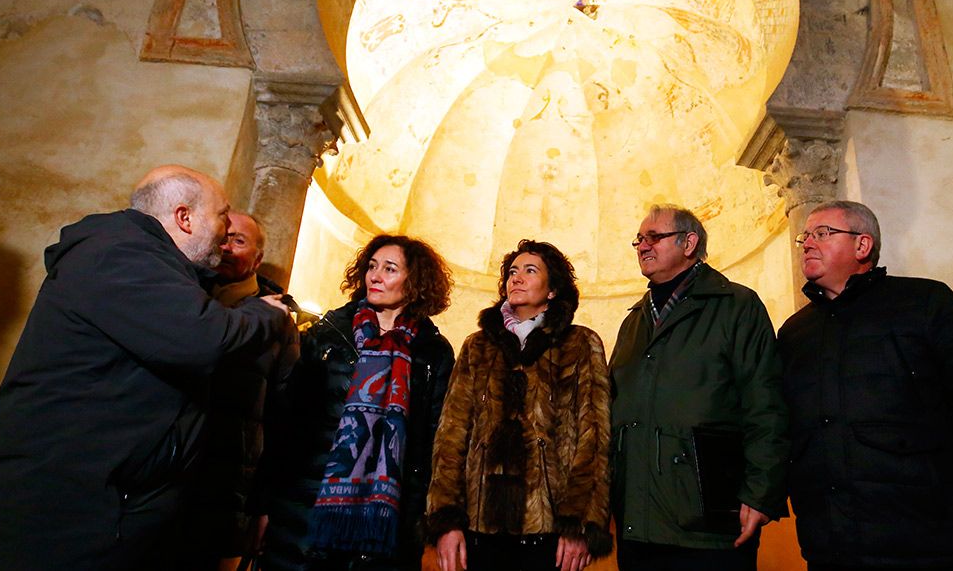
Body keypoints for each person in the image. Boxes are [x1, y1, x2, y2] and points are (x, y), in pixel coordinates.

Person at [0, 165, 296, 571]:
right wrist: (265, 312)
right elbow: (202, 338)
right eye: (221, 216)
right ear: (184, 218)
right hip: (53, 523)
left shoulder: (151, 263)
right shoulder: (119, 254)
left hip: (98, 519)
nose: (225, 232)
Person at [777, 200, 953, 570]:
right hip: (830, 549)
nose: (807, 242)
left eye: (822, 233)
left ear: (862, 245)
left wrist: (942, 491)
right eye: (805, 236)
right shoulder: (794, 333)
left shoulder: (927, 303)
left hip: (924, 546)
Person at [257, 234, 455, 571]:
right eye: (372, 266)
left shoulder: (433, 352)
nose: (375, 276)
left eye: (390, 269)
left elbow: (433, 442)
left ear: (415, 282)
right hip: (305, 508)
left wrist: (424, 519)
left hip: (387, 523)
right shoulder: (331, 333)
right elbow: (287, 420)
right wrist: (262, 503)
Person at [610, 204, 788, 570]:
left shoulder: (736, 305)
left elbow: (765, 404)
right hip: (638, 522)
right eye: (639, 240)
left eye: (654, 237)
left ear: (689, 242)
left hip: (711, 523)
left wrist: (760, 494)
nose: (643, 246)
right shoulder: (633, 322)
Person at [425, 240, 612, 571]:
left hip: (550, 529)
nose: (517, 278)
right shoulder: (478, 346)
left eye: (530, 270)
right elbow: (451, 435)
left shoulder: (581, 343)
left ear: (552, 289)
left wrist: (581, 524)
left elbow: (594, 437)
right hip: (479, 527)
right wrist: (446, 521)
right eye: (512, 271)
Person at [176, 211, 301, 571]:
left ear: (258, 259)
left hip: (226, 487)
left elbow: (284, 415)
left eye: (239, 241)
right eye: (223, 238)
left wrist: (264, 503)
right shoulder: (181, 299)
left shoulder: (277, 322)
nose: (227, 248)